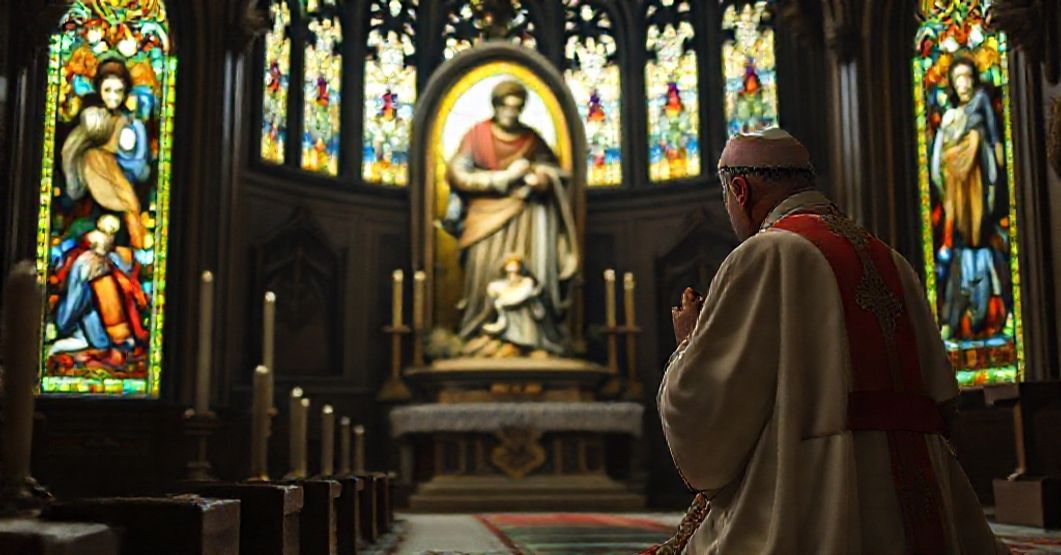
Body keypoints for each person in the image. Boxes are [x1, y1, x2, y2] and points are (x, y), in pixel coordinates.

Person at [653, 128, 1007, 554]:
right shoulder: (888, 257)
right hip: (924, 497)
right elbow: (943, 397)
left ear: (740, 190)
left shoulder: (767, 254)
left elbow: (709, 405)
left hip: (818, 502)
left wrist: (689, 342)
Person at [445, 80, 579, 355]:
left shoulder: (531, 138)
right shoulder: (477, 135)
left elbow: (558, 173)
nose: (511, 113)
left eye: (517, 108)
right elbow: (457, 174)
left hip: (526, 217)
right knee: (482, 276)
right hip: (484, 218)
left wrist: (543, 177)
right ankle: (480, 330)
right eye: (506, 107)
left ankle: (529, 337)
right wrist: (503, 178)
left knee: (531, 273)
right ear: (496, 106)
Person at [930, 57, 1008, 340]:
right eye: (957, 77)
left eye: (967, 76)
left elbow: (991, 135)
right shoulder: (951, 114)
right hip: (956, 188)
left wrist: (994, 149)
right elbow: (940, 157)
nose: (963, 83)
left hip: (977, 184)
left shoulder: (981, 102)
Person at [475, 253, 563, 357]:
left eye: (515, 264)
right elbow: (498, 293)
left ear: (520, 267)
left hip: (525, 317)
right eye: (509, 264)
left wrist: (502, 302)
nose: (512, 268)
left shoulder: (527, 282)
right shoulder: (501, 284)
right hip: (510, 319)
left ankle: (527, 345)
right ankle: (512, 342)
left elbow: (521, 296)